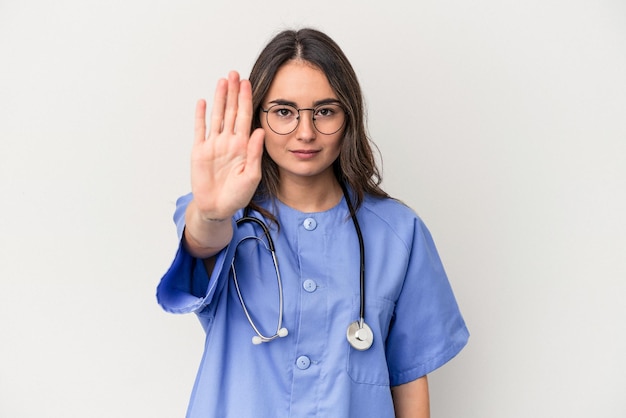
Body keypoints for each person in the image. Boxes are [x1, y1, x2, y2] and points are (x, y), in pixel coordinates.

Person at [157, 27, 469, 418]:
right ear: (258, 118)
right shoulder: (224, 214)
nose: (305, 132)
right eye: (284, 112)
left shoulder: (398, 233)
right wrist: (212, 212)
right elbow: (203, 241)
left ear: (348, 116)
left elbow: (408, 379)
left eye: (324, 111)